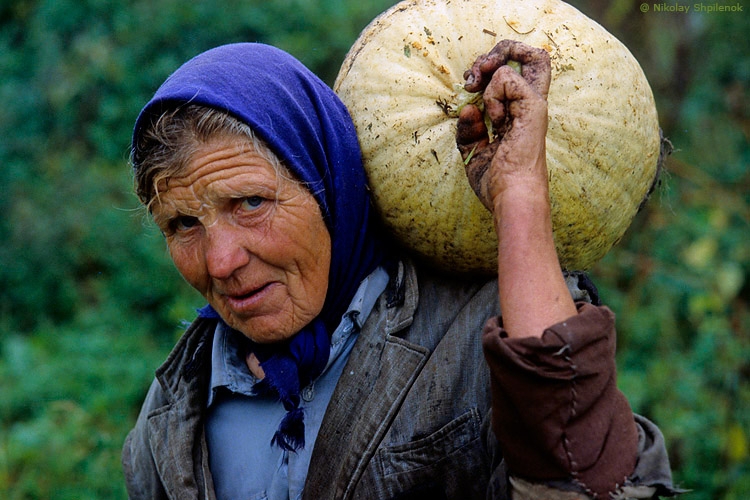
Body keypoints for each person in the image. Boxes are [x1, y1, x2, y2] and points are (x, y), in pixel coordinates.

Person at [122, 41, 680, 500]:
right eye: (182, 225)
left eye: (250, 203)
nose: (222, 262)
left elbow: (586, 485)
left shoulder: (479, 334)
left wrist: (519, 194)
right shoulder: (171, 418)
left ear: (330, 188)